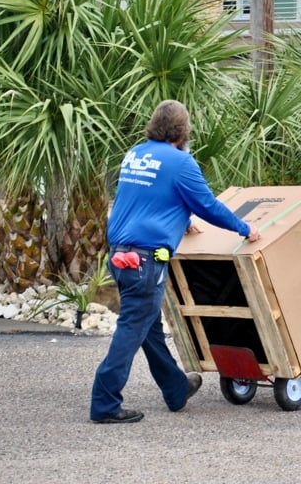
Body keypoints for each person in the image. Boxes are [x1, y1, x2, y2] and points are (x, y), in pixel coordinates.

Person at [90, 100, 261, 423]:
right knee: (132, 328)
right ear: (183, 132)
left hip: (120, 254)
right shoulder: (181, 162)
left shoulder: (136, 155)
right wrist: (245, 228)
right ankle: (104, 402)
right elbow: (208, 205)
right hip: (145, 261)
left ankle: (175, 388)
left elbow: (147, 199)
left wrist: (181, 221)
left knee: (148, 328)